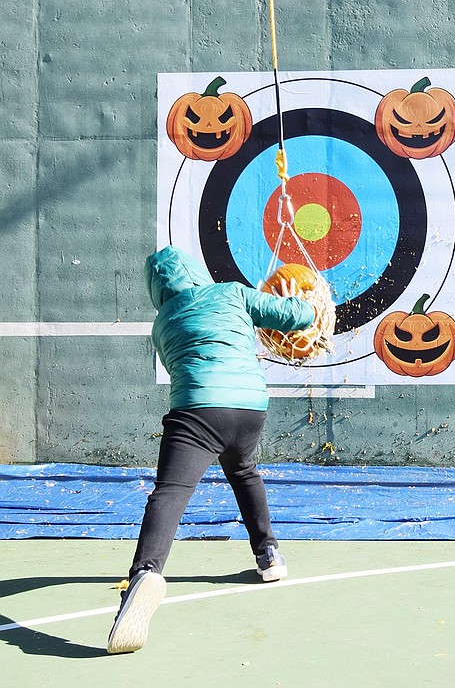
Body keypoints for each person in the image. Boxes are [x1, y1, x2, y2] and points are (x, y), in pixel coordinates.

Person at [107, 245, 315, 654]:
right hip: (250, 407)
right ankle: (269, 555)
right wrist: (302, 298)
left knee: (169, 493)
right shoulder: (233, 293)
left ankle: (145, 573)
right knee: (243, 472)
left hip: (200, 409)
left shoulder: (162, 322)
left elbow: (180, 365)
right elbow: (296, 318)